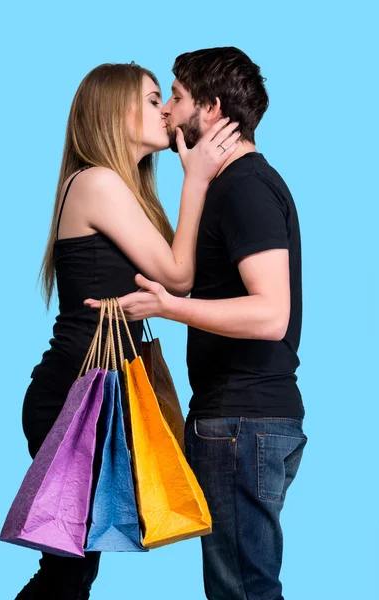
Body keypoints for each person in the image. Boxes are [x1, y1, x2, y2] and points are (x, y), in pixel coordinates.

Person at [86, 46, 307, 600]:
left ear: (209, 110)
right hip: (245, 422)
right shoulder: (228, 187)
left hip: (242, 424)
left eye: (176, 98)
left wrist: (168, 308)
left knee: (243, 592)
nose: (166, 112)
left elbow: (271, 313)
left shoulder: (246, 188)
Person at [14, 61, 239, 600]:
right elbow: (179, 276)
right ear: (114, 113)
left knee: (73, 570)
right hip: (76, 399)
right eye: (153, 98)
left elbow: (174, 283)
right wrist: (199, 178)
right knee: (68, 571)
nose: (165, 110)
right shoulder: (97, 182)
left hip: (91, 399)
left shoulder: (117, 188)